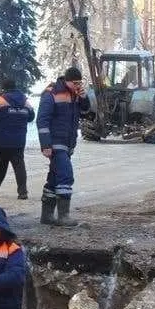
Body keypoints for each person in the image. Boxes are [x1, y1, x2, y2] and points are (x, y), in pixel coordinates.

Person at [37, 66, 91, 227]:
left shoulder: (75, 94)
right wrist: (46, 144)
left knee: (54, 178)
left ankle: (46, 216)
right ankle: (63, 216)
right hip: (55, 142)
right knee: (66, 175)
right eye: (75, 83)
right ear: (66, 81)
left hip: (67, 143)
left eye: (79, 83)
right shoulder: (52, 93)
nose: (78, 85)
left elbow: (86, 112)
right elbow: (42, 120)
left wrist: (84, 98)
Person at [0, 78, 35, 199]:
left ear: (3, 88)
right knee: (19, 165)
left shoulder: (0, 100)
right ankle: (23, 192)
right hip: (19, 140)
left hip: (1, 140)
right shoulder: (25, 100)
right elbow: (31, 117)